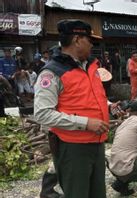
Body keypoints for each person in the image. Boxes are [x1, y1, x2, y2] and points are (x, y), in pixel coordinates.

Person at [34, 19, 109, 198]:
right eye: (90, 40)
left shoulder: (91, 66)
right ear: (77, 40)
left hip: (97, 144)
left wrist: (110, 107)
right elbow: (42, 114)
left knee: (98, 193)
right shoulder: (52, 72)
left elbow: (90, 99)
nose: (92, 45)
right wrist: (85, 123)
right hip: (73, 148)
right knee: (77, 193)